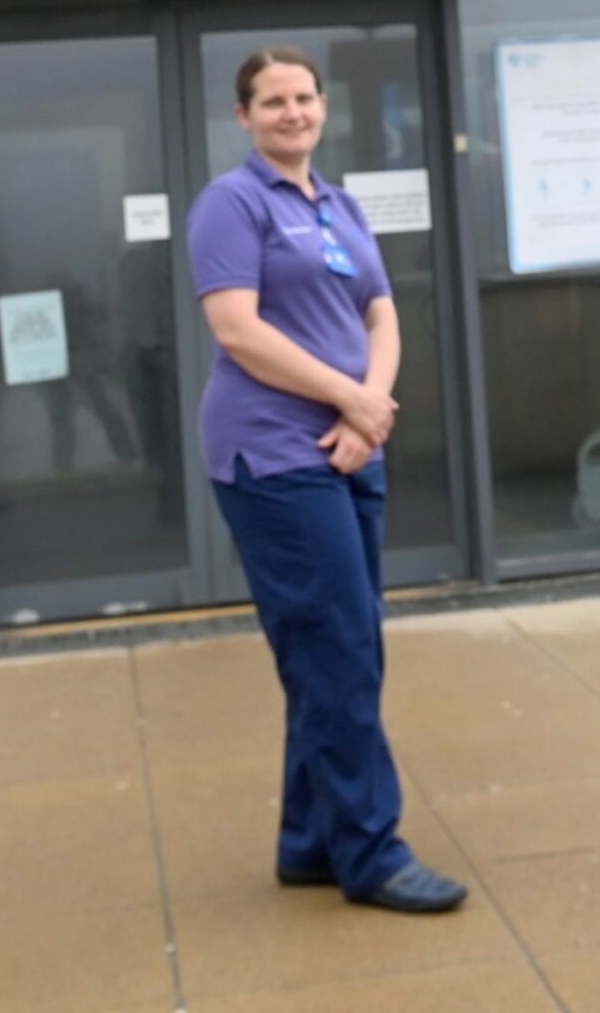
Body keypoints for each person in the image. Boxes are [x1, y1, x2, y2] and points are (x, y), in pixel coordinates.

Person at [186, 46, 469, 914]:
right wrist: (351, 399)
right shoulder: (230, 204)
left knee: (334, 650)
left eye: (304, 97)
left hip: (349, 447)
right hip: (273, 458)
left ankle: (310, 841)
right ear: (244, 116)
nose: (292, 112)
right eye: (272, 101)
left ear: (323, 107)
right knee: (339, 650)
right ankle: (371, 852)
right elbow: (237, 330)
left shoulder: (339, 204)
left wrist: (367, 407)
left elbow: (380, 313)